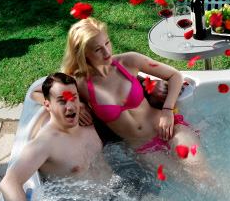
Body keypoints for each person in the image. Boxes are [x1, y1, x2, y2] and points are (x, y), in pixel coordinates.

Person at [0, 73, 154, 201]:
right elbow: (8, 182)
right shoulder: (44, 144)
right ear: (48, 105)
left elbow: (109, 79)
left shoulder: (86, 120)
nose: (70, 106)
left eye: (73, 98)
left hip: (122, 190)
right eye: (62, 101)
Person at [60, 17, 208, 180]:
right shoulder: (80, 83)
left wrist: (167, 111)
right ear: (83, 53)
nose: (107, 52)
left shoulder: (128, 61)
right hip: (144, 149)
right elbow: (42, 92)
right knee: (184, 181)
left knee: (203, 176)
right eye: (97, 49)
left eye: (107, 43)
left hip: (170, 128)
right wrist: (78, 104)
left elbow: (175, 76)